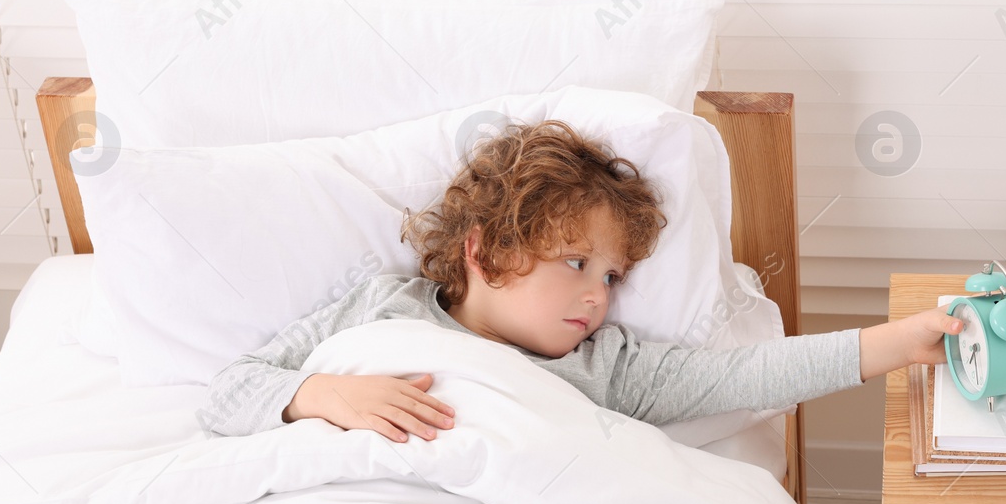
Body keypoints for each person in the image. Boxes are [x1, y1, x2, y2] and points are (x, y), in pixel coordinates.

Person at [199, 119, 963, 442]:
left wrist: (897, 343)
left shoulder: (609, 366)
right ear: (485, 250)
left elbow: (751, 373)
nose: (599, 294)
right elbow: (229, 392)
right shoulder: (379, 311)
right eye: (577, 263)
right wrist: (322, 394)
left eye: (613, 275)